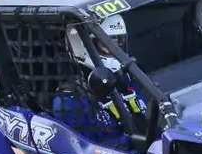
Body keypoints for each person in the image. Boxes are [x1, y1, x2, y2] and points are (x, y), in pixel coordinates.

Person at [58, 13, 146, 145]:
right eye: (106, 44)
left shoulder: (125, 79)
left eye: (117, 43)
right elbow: (83, 150)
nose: (114, 50)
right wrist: (129, 142)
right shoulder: (69, 100)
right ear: (82, 46)